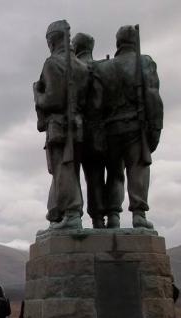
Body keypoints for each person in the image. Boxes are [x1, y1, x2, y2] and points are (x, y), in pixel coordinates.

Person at [100, 25, 163, 229]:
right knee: (137, 169)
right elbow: (153, 97)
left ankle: (113, 217)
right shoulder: (144, 62)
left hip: (109, 129)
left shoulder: (103, 68)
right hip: (135, 126)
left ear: (118, 43)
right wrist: (155, 129)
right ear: (134, 42)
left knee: (114, 173)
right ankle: (138, 214)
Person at [33, 20, 90, 230]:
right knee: (68, 169)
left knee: (64, 168)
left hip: (59, 125)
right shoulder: (82, 66)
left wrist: (38, 95)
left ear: (52, 39)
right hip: (80, 126)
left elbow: (53, 100)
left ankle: (72, 213)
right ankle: (57, 213)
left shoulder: (52, 63)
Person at [72, 32, 108, 229]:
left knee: (71, 174)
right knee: (96, 176)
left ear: (76, 48)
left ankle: (73, 217)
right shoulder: (104, 68)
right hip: (99, 130)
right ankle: (99, 219)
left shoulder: (73, 69)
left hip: (74, 129)